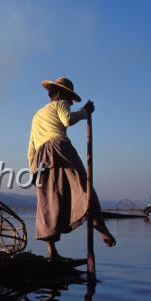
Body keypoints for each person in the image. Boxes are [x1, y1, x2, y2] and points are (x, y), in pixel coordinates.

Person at [28, 77, 116, 260]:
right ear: (60, 94)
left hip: (40, 158)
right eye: (69, 98)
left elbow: (31, 147)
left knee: (47, 200)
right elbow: (67, 120)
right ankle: (102, 228)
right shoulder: (61, 104)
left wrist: (33, 170)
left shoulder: (37, 115)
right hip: (59, 146)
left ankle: (51, 250)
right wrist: (85, 112)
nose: (69, 101)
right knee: (84, 185)